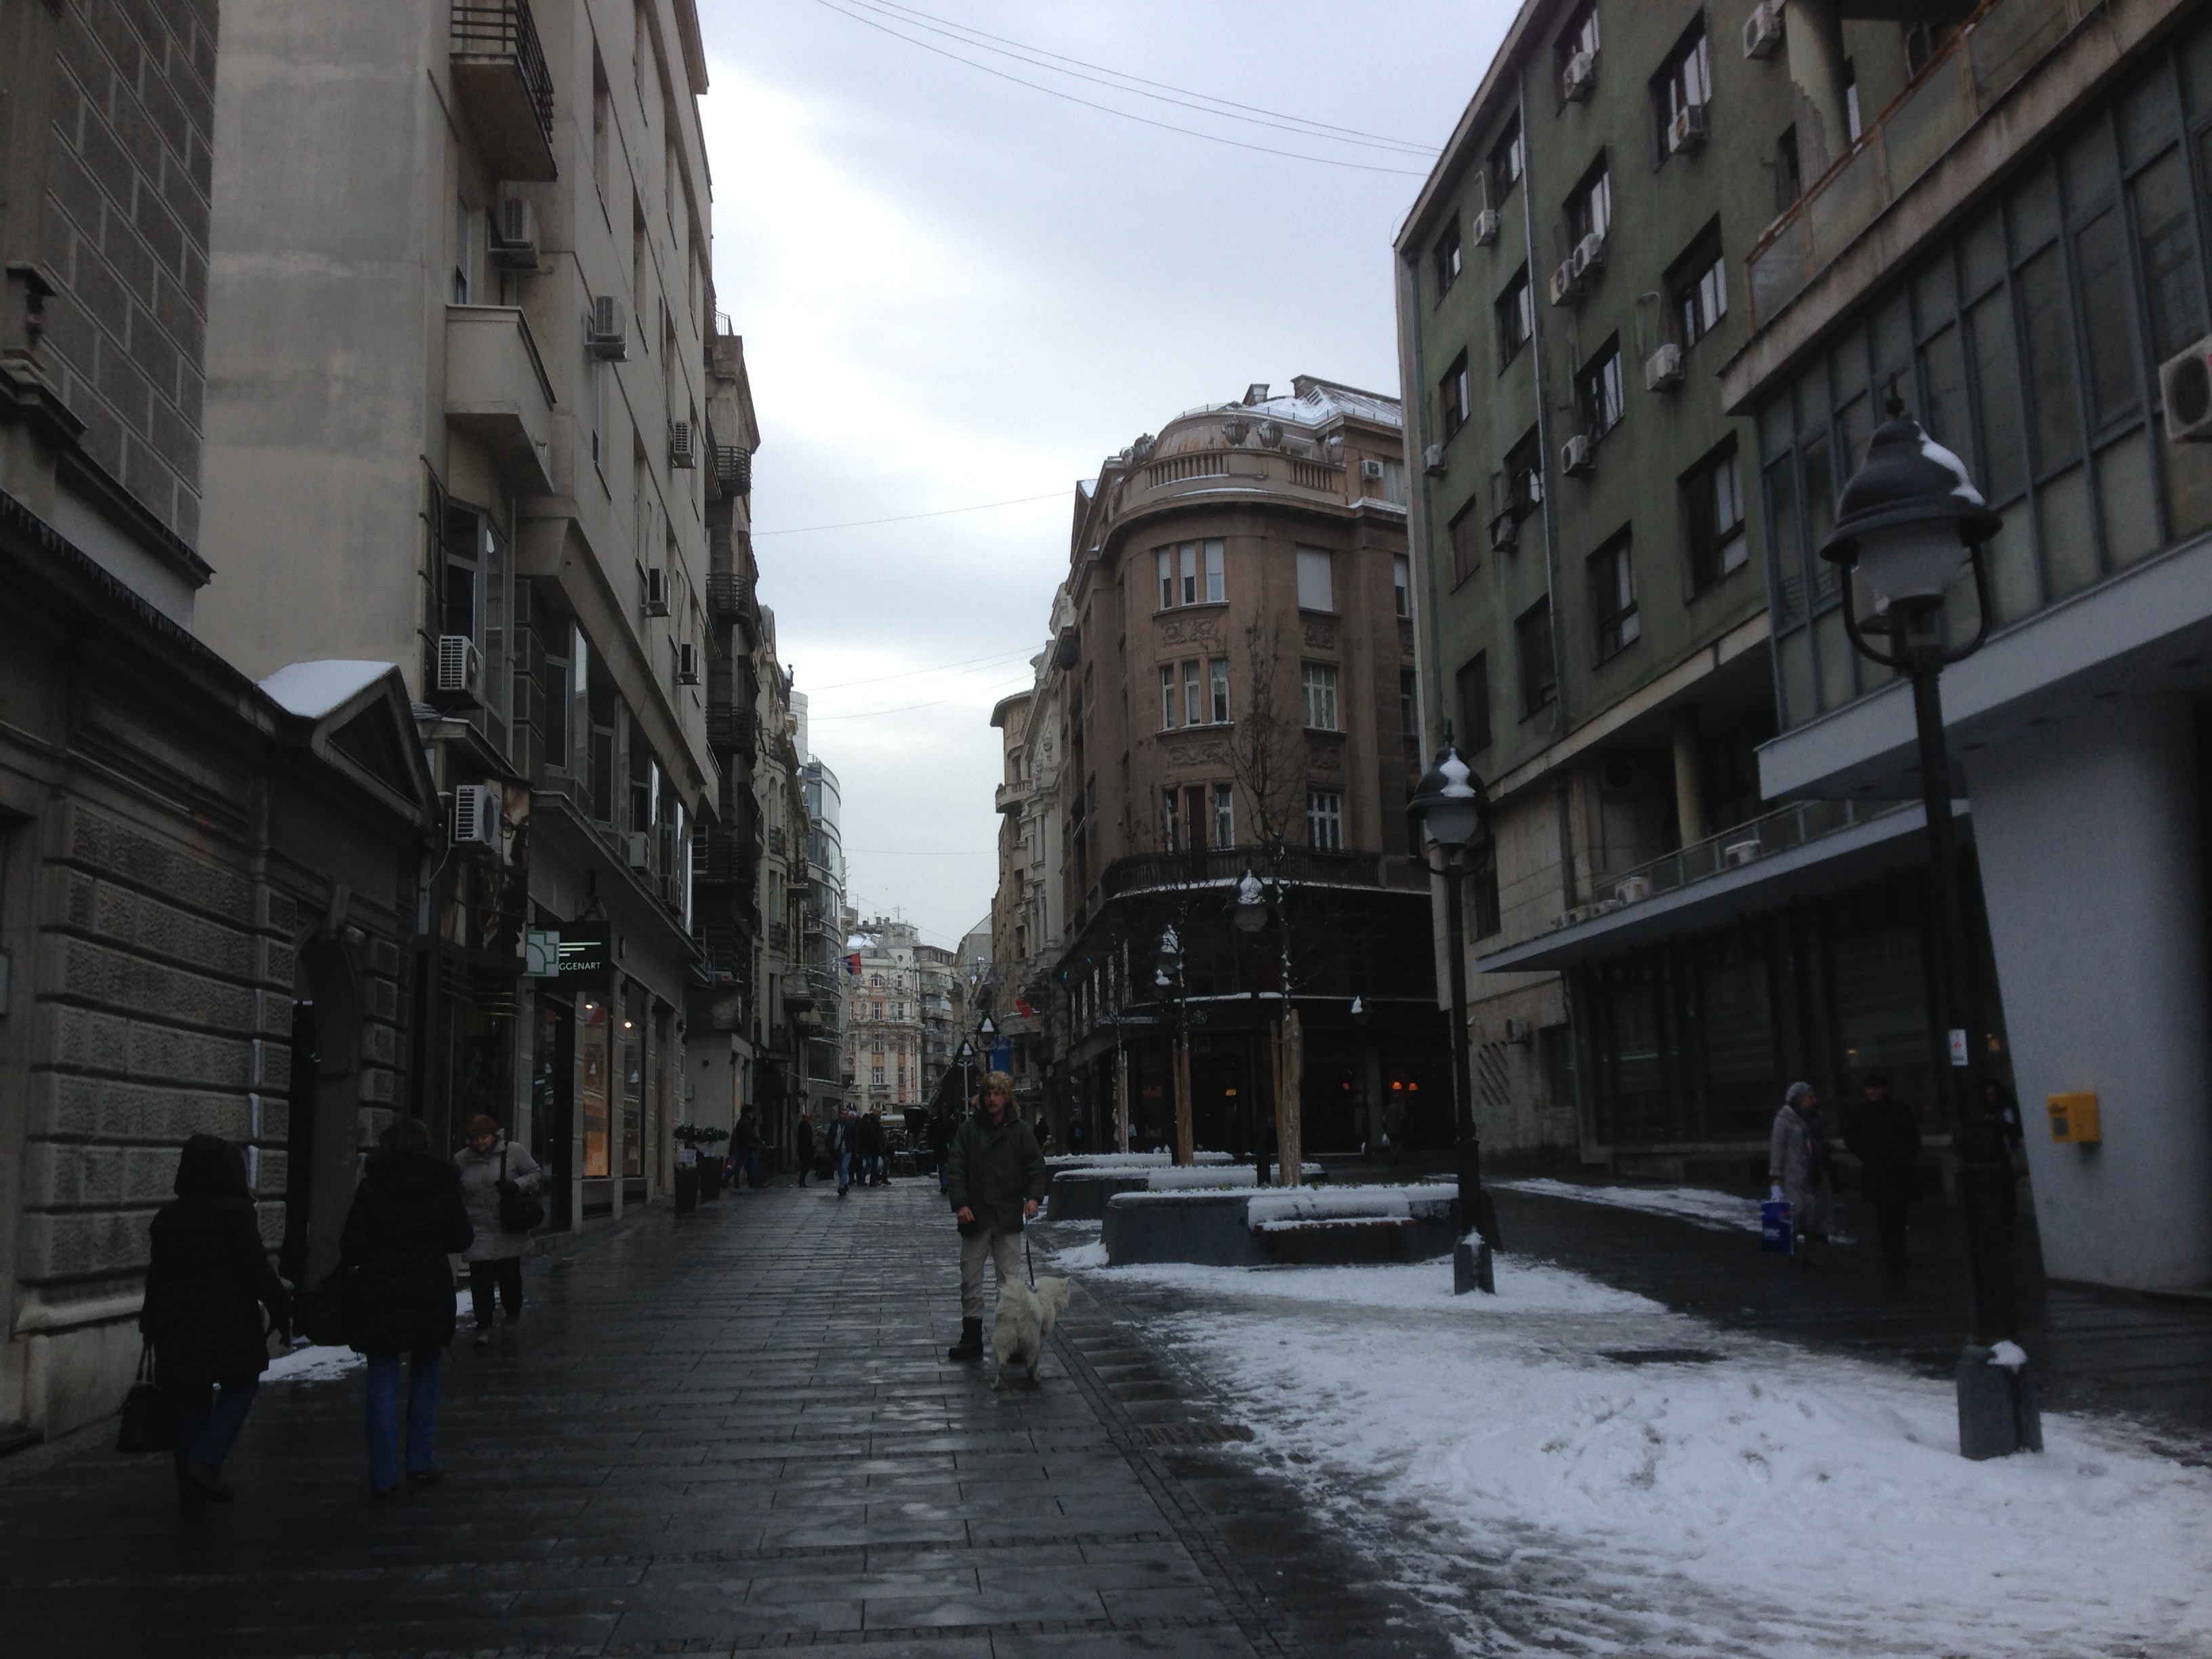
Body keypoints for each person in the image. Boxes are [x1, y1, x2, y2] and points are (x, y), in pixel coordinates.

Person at [140, 1134, 293, 1511]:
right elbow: (255, 1269)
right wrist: (281, 1306)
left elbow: (156, 1277)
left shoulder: (168, 1217)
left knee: (189, 1400)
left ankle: (191, 1493)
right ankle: (206, 1462)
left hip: (176, 1327)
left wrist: (149, 1324)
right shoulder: (235, 1212)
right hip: (228, 1323)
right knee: (242, 1383)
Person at [341, 1117, 472, 1497]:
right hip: (429, 1287)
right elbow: (461, 1238)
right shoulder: (443, 1183)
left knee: (382, 1380)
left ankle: (383, 1474)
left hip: (380, 1289)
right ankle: (420, 1459)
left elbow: (351, 1248)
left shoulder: (372, 1186)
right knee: (426, 1373)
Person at [945, 1072, 1048, 1362]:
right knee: (970, 1279)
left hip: (1006, 1215)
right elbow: (956, 1169)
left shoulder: (1021, 1132)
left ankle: (1012, 1339)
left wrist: (1033, 1198)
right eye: (988, 1093)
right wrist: (961, 1204)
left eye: (998, 1093)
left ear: (1006, 1097)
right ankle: (971, 1338)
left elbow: (1035, 1167)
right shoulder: (968, 1131)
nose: (992, 1099)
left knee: (1010, 1281)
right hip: (975, 1216)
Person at [453, 1114, 541, 1343]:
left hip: (507, 1224)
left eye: (484, 1137)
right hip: (478, 1227)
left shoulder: (513, 1152)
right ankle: (483, 1325)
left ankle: (512, 1313)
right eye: (475, 1138)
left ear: (494, 1135)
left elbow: (535, 1174)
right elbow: (458, 1191)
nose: (480, 1142)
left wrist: (516, 1186)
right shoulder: (461, 1160)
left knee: (509, 1275)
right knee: (480, 1279)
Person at [1845, 1074, 1921, 1277]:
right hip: (1880, 1168)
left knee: (1898, 1212)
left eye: (1875, 1088)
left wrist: (1908, 1155)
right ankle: (1892, 1249)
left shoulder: (1898, 1109)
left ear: (1884, 1089)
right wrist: (1866, 1154)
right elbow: (1851, 1137)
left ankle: (1896, 1249)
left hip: (1894, 1168)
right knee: (1885, 1212)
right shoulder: (1863, 1110)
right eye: (1869, 1088)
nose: (1872, 1092)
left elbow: (1913, 1135)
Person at [1769, 1082, 1835, 1263]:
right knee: (1796, 1213)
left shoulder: (1815, 1118)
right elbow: (1778, 1148)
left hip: (1814, 1173)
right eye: (1809, 1097)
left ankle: (1811, 1251)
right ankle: (1789, 1247)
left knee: (1816, 1216)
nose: (1814, 1100)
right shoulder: (1784, 1120)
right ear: (1800, 1099)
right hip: (1793, 1175)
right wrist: (1776, 1176)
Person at [928, 1104, 956, 1194]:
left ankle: (945, 1184)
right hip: (939, 1148)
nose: (944, 1112)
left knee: (946, 1166)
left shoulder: (952, 1122)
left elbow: (955, 1134)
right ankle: (944, 1183)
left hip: (948, 1147)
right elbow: (930, 1134)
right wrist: (935, 1143)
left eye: (945, 1110)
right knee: (941, 1166)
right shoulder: (935, 1122)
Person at [733, 1107, 762, 1189]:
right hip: (745, 1146)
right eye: (751, 1112)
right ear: (748, 1113)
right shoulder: (745, 1123)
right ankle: (752, 1182)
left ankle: (752, 1182)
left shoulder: (743, 1122)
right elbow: (750, 1134)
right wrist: (759, 1141)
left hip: (744, 1146)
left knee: (748, 1164)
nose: (752, 1114)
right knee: (743, 1164)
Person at [832, 1105, 857, 1198]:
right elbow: (831, 1136)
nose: (844, 1116)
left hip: (847, 1150)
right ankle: (844, 1184)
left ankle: (841, 1186)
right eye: (843, 1114)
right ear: (840, 1115)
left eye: (846, 1114)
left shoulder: (850, 1126)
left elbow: (854, 1139)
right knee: (839, 1169)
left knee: (844, 1168)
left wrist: (855, 1150)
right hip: (837, 1150)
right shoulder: (835, 1124)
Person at [794, 1112, 816, 1187]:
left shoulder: (804, 1126)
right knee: (807, 1164)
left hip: (805, 1149)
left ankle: (802, 1181)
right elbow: (806, 1139)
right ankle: (802, 1181)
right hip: (805, 1149)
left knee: (806, 1165)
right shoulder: (804, 1126)